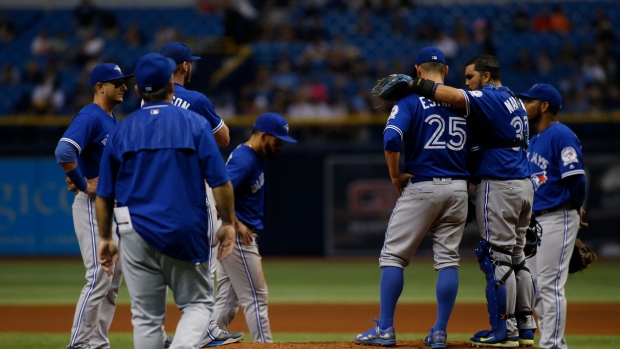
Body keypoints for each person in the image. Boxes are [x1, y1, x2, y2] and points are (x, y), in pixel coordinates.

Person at [95, 53, 238, 349]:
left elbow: (105, 194)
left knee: (146, 318)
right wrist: (227, 223)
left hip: (134, 232)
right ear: (172, 87)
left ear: (137, 91)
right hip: (183, 228)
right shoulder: (194, 124)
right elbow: (220, 182)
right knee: (198, 304)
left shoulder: (121, 130)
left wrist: (105, 237)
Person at [403, 54, 536, 347]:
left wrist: (412, 83)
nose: (466, 83)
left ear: (486, 76)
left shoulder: (488, 97)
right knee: (518, 259)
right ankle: (525, 328)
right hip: (523, 184)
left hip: (500, 183)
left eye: (470, 77)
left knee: (496, 258)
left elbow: (450, 94)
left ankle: (504, 332)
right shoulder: (513, 99)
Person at [354, 47, 470, 349]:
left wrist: (395, 175)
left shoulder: (410, 100)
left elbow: (391, 138)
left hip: (423, 185)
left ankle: (385, 329)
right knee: (448, 261)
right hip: (459, 189)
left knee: (393, 256)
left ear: (417, 71)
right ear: (445, 72)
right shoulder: (464, 101)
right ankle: (440, 332)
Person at [159, 40, 241, 348]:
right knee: (205, 259)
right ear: (184, 66)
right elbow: (224, 137)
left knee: (158, 265)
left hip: (156, 188)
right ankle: (204, 332)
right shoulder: (195, 99)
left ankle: (158, 333)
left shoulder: (145, 103)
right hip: (193, 185)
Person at [54, 62, 132, 349]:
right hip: (92, 203)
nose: (124, 86)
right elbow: (64, 150)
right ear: (100, 87)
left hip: (112, 205)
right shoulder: (90, 116)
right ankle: (79, 344)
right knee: (100, 274)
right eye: (117, 82)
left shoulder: (112, 119)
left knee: (112, 281)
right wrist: (83, 182)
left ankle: (97, 344)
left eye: (125, 81)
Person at [209, 112, 297, 344]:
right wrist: (235, 223)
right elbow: (218, 189)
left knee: (228, 301)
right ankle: (264, 345)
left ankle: (205, 340)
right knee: (256, 298)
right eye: (277, 141)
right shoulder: (245, 160)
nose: (280, 147)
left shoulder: (251, 156)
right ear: (264, 136)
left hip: (233, 233)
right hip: (237, 237)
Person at [519, 84, 587, 349]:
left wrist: (574, 207)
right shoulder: (534, 139)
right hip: (536, 221)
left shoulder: (562, 135)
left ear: (544, 106)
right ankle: (552, 342)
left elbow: (576, 178)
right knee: (536, 288)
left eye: (530, 102)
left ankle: (553, 345)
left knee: (550, 285)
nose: (525, 107)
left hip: (558, 217)